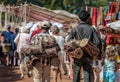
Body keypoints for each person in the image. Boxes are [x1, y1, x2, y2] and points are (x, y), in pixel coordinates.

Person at [67, 10, 101, 82]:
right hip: (88, 55)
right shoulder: (92, 29)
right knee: (87, 75)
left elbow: (68, 41)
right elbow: (97, 42)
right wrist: (95, 52)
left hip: (77, 54)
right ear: (88, 18)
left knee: (76, 75)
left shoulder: (74, 29)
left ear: (79, 18)